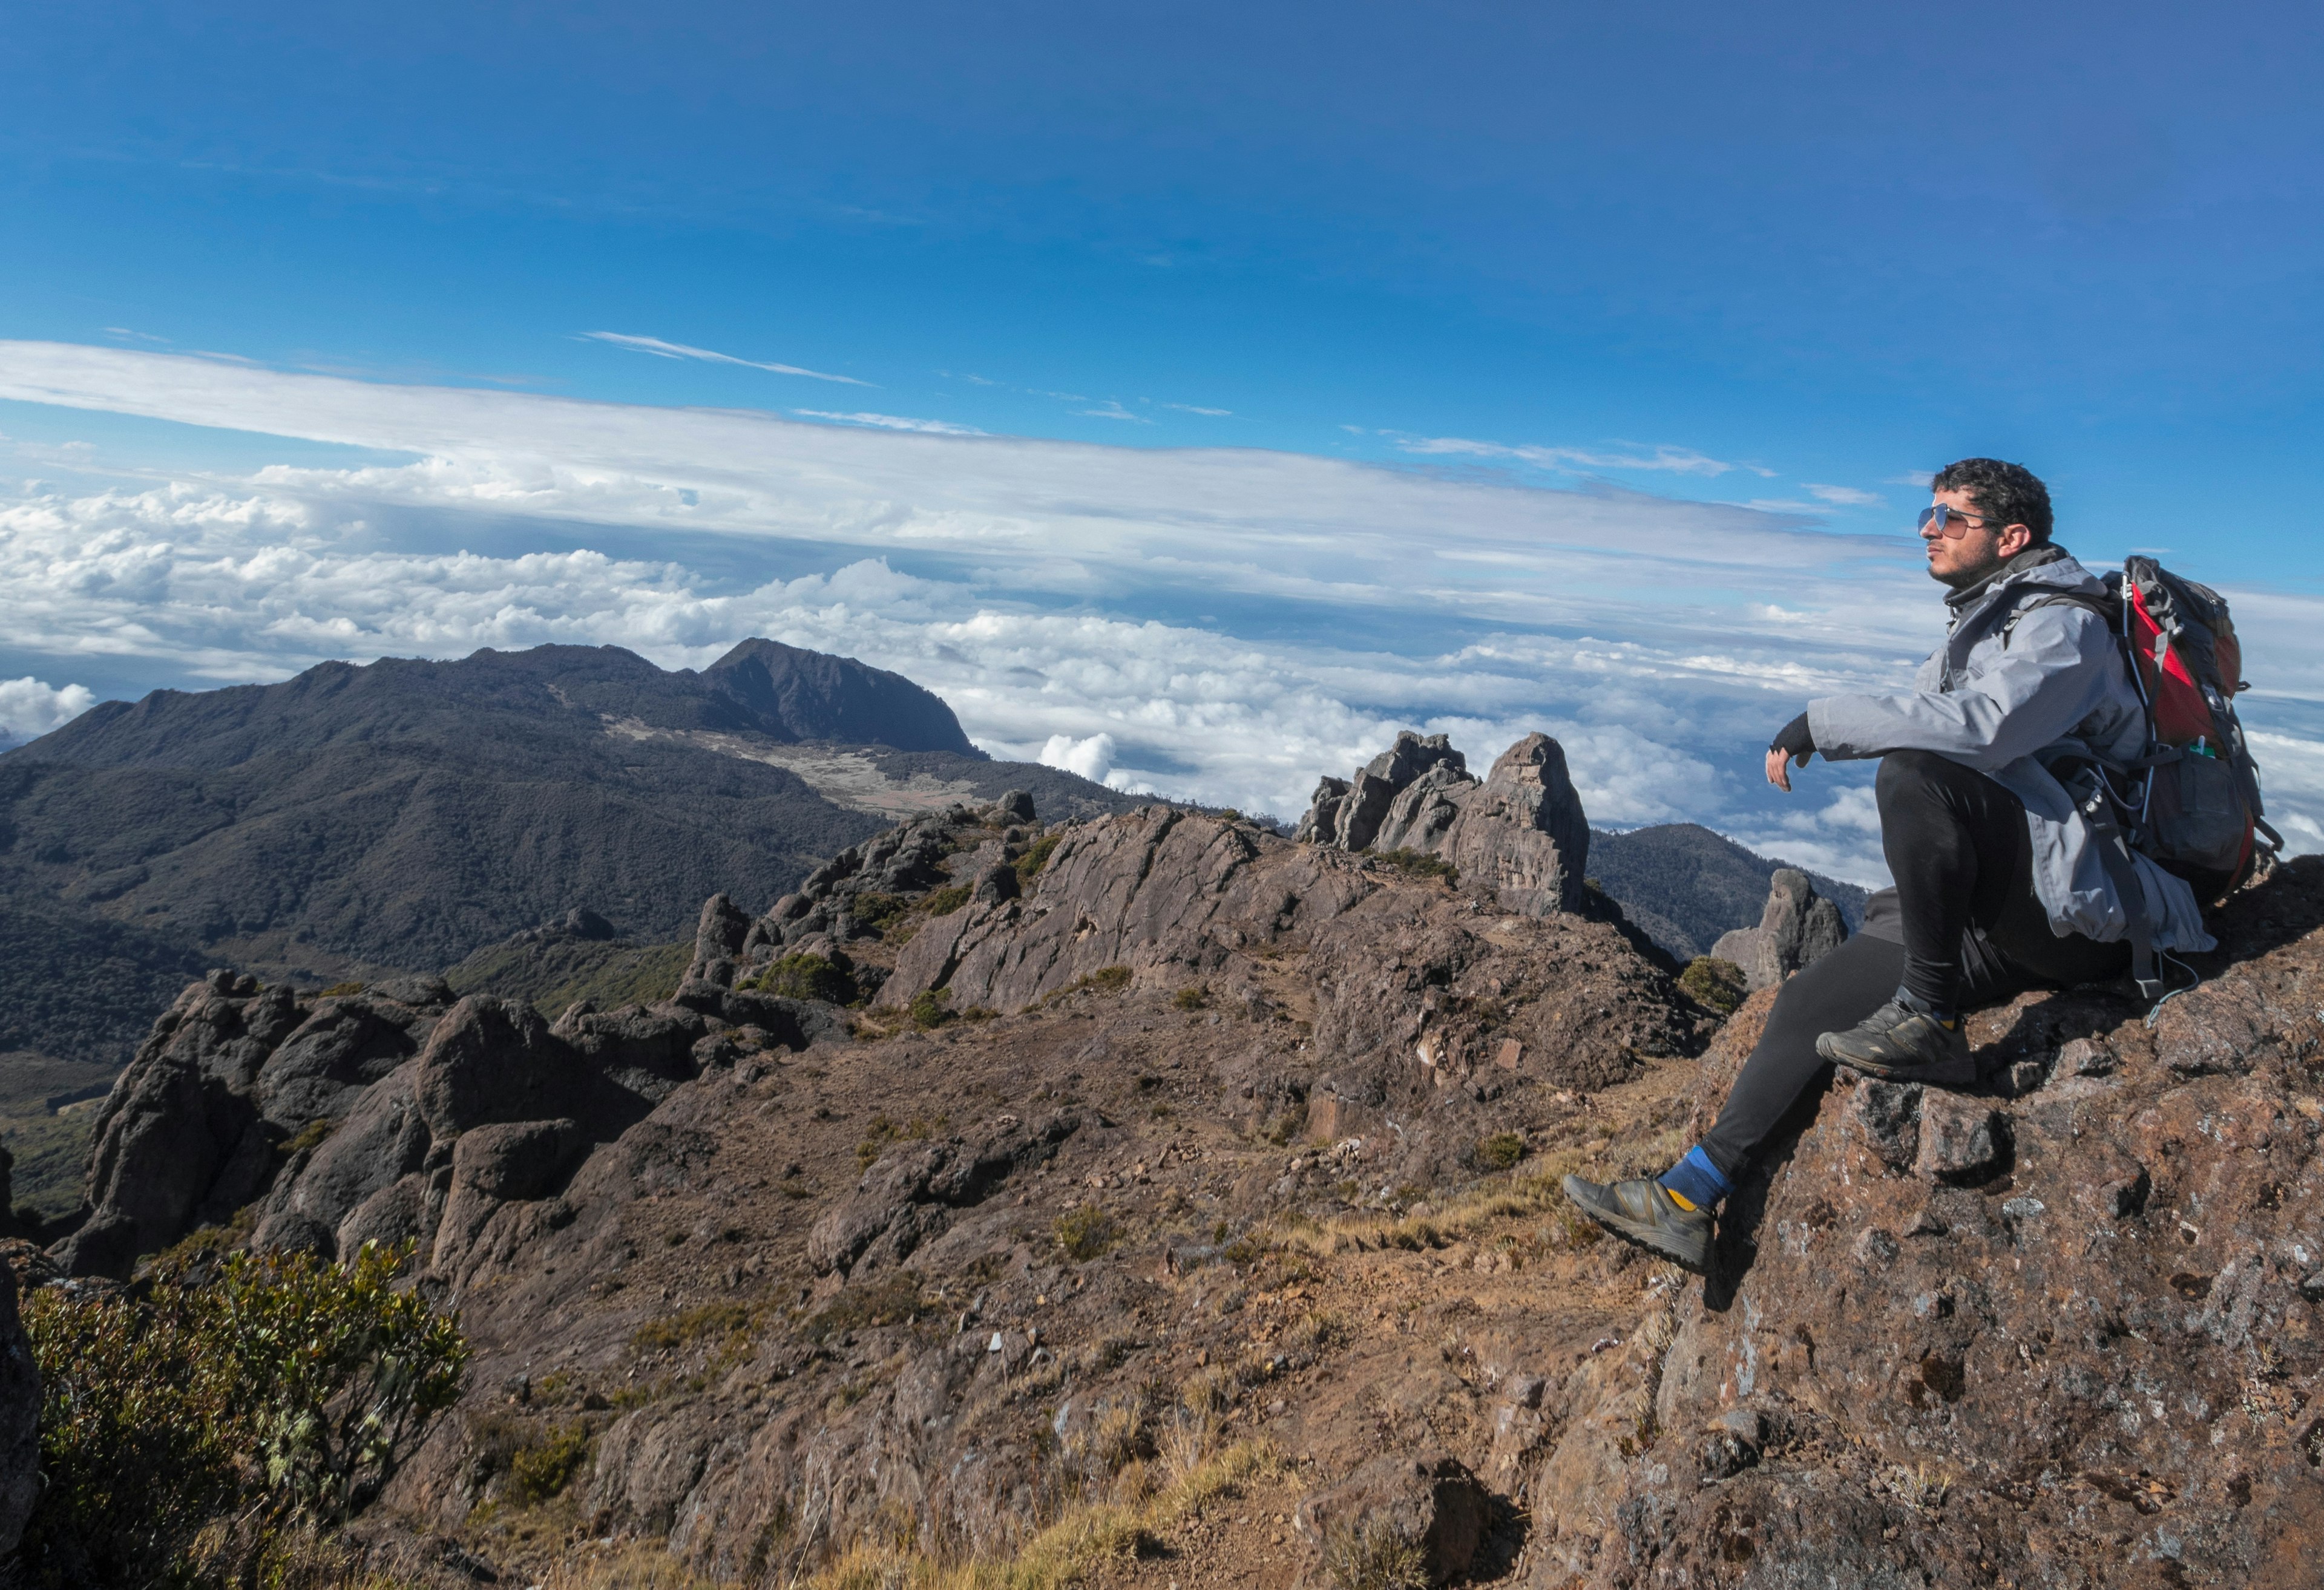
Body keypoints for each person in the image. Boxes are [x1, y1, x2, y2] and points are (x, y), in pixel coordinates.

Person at [1563, 457, 2217, 1274]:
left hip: (2088, 914)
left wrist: (1821, 722)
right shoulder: (1987, 617)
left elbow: (1980, 731)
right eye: (1928, 515)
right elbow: (1942, 713)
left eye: (1951, 519)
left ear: (2012, 538)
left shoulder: (2064, 627)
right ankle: (1689, 1195)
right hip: (2014, 897)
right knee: (1809, 1002)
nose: (1928, 532)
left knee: (1913, 773)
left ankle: (1931, 1019)